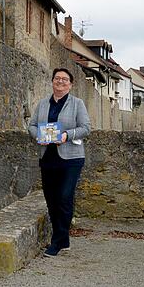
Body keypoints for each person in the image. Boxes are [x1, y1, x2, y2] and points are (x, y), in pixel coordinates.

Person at [27, 68, 91, 258]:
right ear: (52, 82)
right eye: (57, 78)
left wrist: (66, 135)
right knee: (52, 200)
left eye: (64, 79)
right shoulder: (43, 104)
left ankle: (57, 240)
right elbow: (31, 125)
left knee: (64, 196)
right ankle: (63, 240)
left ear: (70, 84)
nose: (60, 82)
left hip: (71, 158)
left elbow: (86, 128)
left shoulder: (77, 104)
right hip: (48, 157)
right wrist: (38, 135)